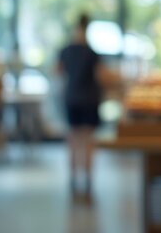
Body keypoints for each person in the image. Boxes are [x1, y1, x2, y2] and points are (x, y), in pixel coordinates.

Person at [57, 14, 102, 199]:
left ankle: (74, 178)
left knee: (73, 139)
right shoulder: (91, 52)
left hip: (72, 99)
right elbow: (101, 76)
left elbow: (58, 72)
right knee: (88, 140)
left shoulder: (66, 51)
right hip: (89, 100)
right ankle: (88, 179)